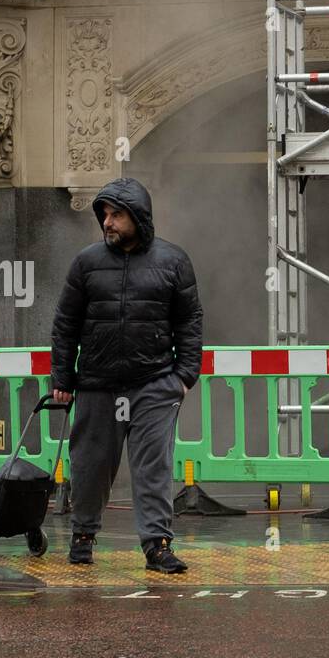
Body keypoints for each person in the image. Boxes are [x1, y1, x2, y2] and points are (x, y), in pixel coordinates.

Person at [50, 177, 203, 573]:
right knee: (90, 464)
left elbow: (189, 322)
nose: (107, 222)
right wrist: (63, 379)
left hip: (154, 382)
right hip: (98, 383)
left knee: (153, 467)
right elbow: (66, 324)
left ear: (138, 216)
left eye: (117, 214)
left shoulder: (174, 261)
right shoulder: (86, 262)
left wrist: (184, 376)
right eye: (104, 214)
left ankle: (157, 546)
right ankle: (82, 537)